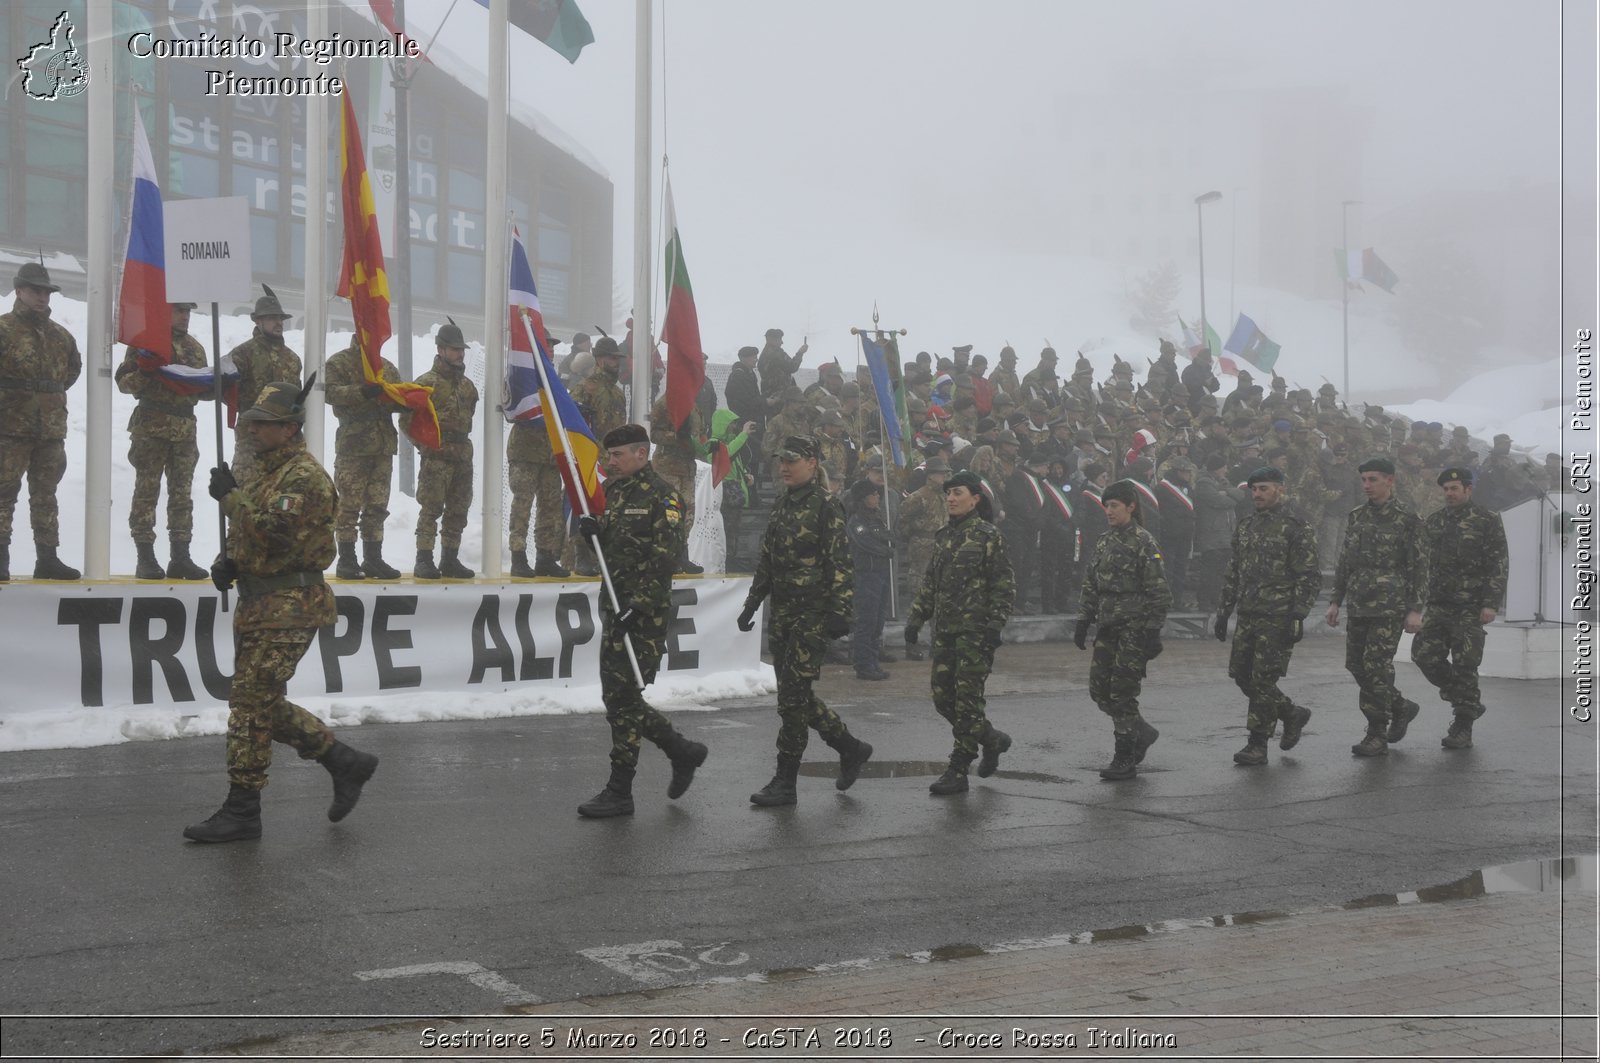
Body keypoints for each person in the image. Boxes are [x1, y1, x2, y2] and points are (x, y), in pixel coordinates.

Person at [186, 380, 378, 843]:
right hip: (260, 604)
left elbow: (277, 532)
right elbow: (255, 537)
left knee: (250, 705)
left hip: (291, 606)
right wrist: (229, 560)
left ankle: (243, 810)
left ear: (289, 428)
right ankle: (343, 761)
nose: (250, 431)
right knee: (259, 703)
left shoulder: (304, 477)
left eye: (262, 425)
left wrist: (231, 500)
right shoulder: (263, 472)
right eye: (250, 423)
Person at [572, 424, 708, 817]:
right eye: (609, 455)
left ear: (641, 455)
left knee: (624, 699)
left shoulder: (663, 497)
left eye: (617, 456)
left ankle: (621, 790)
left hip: (642, 615)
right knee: (618, 698)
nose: (609, 461)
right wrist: (595, 532)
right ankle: (682, 751)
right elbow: (620, 550)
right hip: (616, 608)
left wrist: (640, 603)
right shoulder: (615, 493)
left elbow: (666, 557)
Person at [737, 436, 874, 807]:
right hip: (783, 615)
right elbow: (767, 560)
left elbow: (840, 563)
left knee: (793, 702)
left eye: (792, 461)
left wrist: (839, 612)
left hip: (811, 617)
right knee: (794, 696)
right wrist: (752, 604)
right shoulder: (782, 505)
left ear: (812, 463)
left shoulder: (826, 506)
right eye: (781, 460)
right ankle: (850, 747)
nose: (784, 467)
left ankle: (785, 780)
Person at [903, 469, 1015, 795]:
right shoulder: (944, 536)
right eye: (948, 493)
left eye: (958, 493)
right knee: (943, 699)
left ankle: (959, 767)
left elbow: (1004, 585)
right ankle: (990, 738)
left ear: (975, 499)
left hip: (975, 631)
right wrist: (916, 619)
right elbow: (931, 585)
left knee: (967, 701)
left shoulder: (988, 536)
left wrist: (995, 624)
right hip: (945, 631)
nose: (951, 498)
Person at [1214, 466, 1323, 766]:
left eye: (1264, 488)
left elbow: (1309, 576)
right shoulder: (1247, 525)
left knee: (1262, 680)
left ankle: (1257, 743)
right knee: (1242, 675)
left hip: (1279, 615)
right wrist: (1224, 610)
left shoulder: (1296, 525)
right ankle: (1290, 712)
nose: (1258, 494)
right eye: (1254, 489)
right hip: (1249, 612)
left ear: (1280, 489)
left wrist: (1298, 614)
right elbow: (1234, 570)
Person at [1326, 457, 1429, 757]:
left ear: (1390, 481)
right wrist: (1336, 601)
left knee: (1376, 666)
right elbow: (1345, 562)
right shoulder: (1357, 516)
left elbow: (1420, 568)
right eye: (1364, 480)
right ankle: (1401, 706)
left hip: (1389, 605)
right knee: (1355, 665)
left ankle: (1376, 732)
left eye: (1373, 479)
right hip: (1359, 604)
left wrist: (1415, 609)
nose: (1367, 485)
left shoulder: (1408, 519)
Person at [1074, 478, 1171, 781]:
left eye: (1114, 505)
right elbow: (1092, 582)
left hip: (1134, 628)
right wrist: (1083, 618)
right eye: (1106, 506)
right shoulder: (1105, 540)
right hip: (1107, 627)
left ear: (1131, 506)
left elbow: (1159, 591)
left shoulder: (1144, 542)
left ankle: (1125, 755)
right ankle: (1141, 731)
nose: (1108, 511)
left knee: (1122, 694)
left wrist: (1153, 630)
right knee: (1099, 690)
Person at [1411, 468, 1508, 749]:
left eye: (1454, 488)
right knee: (1424, 656)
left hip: (1470, 606)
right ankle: (1468, 701)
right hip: (1439, 605)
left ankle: (1463, 726)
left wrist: (1491, 603)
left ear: (1468, 489)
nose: (1449, 494)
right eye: (1446, 489)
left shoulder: (1486, 521)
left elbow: (1498, 564)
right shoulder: (1435, 521)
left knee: (1465, 665)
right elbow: (1421, 564)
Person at [114, 301, 210, 580]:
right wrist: (145, 370)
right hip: (152, 426)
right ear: (165, 311)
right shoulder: (146, 342)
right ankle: (145, 556)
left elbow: (200, 390)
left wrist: (216, 385)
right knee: (147, 491)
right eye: (179, 310)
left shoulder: (194, 347)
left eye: (188, 311)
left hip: (184, 427)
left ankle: (181, 557)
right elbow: (124, 384)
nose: (184, 316)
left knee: (182, 495)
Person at [0, 261, 82, 580]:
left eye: (46, 291)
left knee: (46, 494)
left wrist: (45, 401)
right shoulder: (4, 329)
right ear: (19, 291)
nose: (41, 297)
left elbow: (71, 372)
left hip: (49, 430)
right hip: (10, 428)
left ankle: (47, 557)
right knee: (4, 491)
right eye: (35, 290)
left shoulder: (61, 337)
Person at [322, 334, 404, 580]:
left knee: (377, 506)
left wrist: (405, 402)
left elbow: (397, 396)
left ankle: (373, 558)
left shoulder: (386, 367)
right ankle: (347, 560)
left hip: (383, 446)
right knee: (349, 505)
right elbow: (329, 393)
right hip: (353, 445)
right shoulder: (339, 363)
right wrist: (361, 392)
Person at [413, 320, 478, 579]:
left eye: (461, 349)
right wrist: (428, 447)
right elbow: (410, 422)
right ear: (440, 350)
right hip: (437, 458)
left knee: (458, 510)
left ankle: (449, 558)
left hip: (462, 455)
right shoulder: (426, 383)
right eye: (454, 349)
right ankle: (424, 558)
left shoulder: (468, 386)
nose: (459, 354)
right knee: (430, 508)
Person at [225, 286, 302, 488]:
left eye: (280, 318)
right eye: (271, 318)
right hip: (252, 441)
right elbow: (226, 392)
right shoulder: (243, 354)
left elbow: (298, 399)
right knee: (245, 494)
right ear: (258, 321)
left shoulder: (292, 359)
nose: (278, 323)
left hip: (285, 442)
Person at [650, 392, 705, 574]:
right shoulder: (665, 403)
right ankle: (667, 555)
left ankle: (682, 553)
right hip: (668, 467)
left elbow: (700, 435)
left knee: (688, 512)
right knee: (669, 513)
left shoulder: (694, 405)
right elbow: (654, 434)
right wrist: (675, 436)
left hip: (687, 467)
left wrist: (705, 446)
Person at [846, 479, 894, 681]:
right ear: (863, 498)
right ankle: (863, 664)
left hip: (881, 573)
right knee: (867, 620)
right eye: (873, 495)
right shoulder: (856, 521)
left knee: (878, 620)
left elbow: (889, 536)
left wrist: (886, 545)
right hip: (866, 574)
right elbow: (866, 543)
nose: (877, 498)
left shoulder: (877, 518)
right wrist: (885, 550)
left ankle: (873, 661)